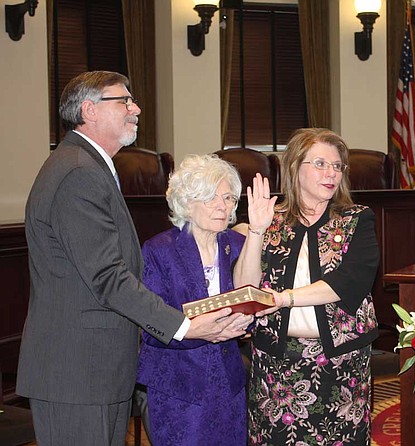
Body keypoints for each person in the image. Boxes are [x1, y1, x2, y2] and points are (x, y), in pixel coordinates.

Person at [17, 71, 245, 446]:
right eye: (123, 100)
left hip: (93, 369)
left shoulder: (86, 165)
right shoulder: (78, 172)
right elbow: (108, 277)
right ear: (89, 110)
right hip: (77, 370)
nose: (135, 108)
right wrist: (186, 327)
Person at [234, 128, 380, 445]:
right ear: (295, 167)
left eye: (337, 166)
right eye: (320, 164)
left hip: (340, 365)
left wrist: (286, 298)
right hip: (276, 363)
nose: (331, 173)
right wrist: (256, 231)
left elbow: (350, 282)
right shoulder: (270, 220)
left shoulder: (356, 219)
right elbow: (244, 288)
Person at [136, 154, 253, 445]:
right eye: (211, 197)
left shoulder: (237, 244)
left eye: (228, 198)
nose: (222, 206)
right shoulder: (159, 251)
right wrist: (202, 330)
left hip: (229, 383)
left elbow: (255, 296)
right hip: (178, 385)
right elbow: (149, 329)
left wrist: (248, 320)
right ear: (188, 203)